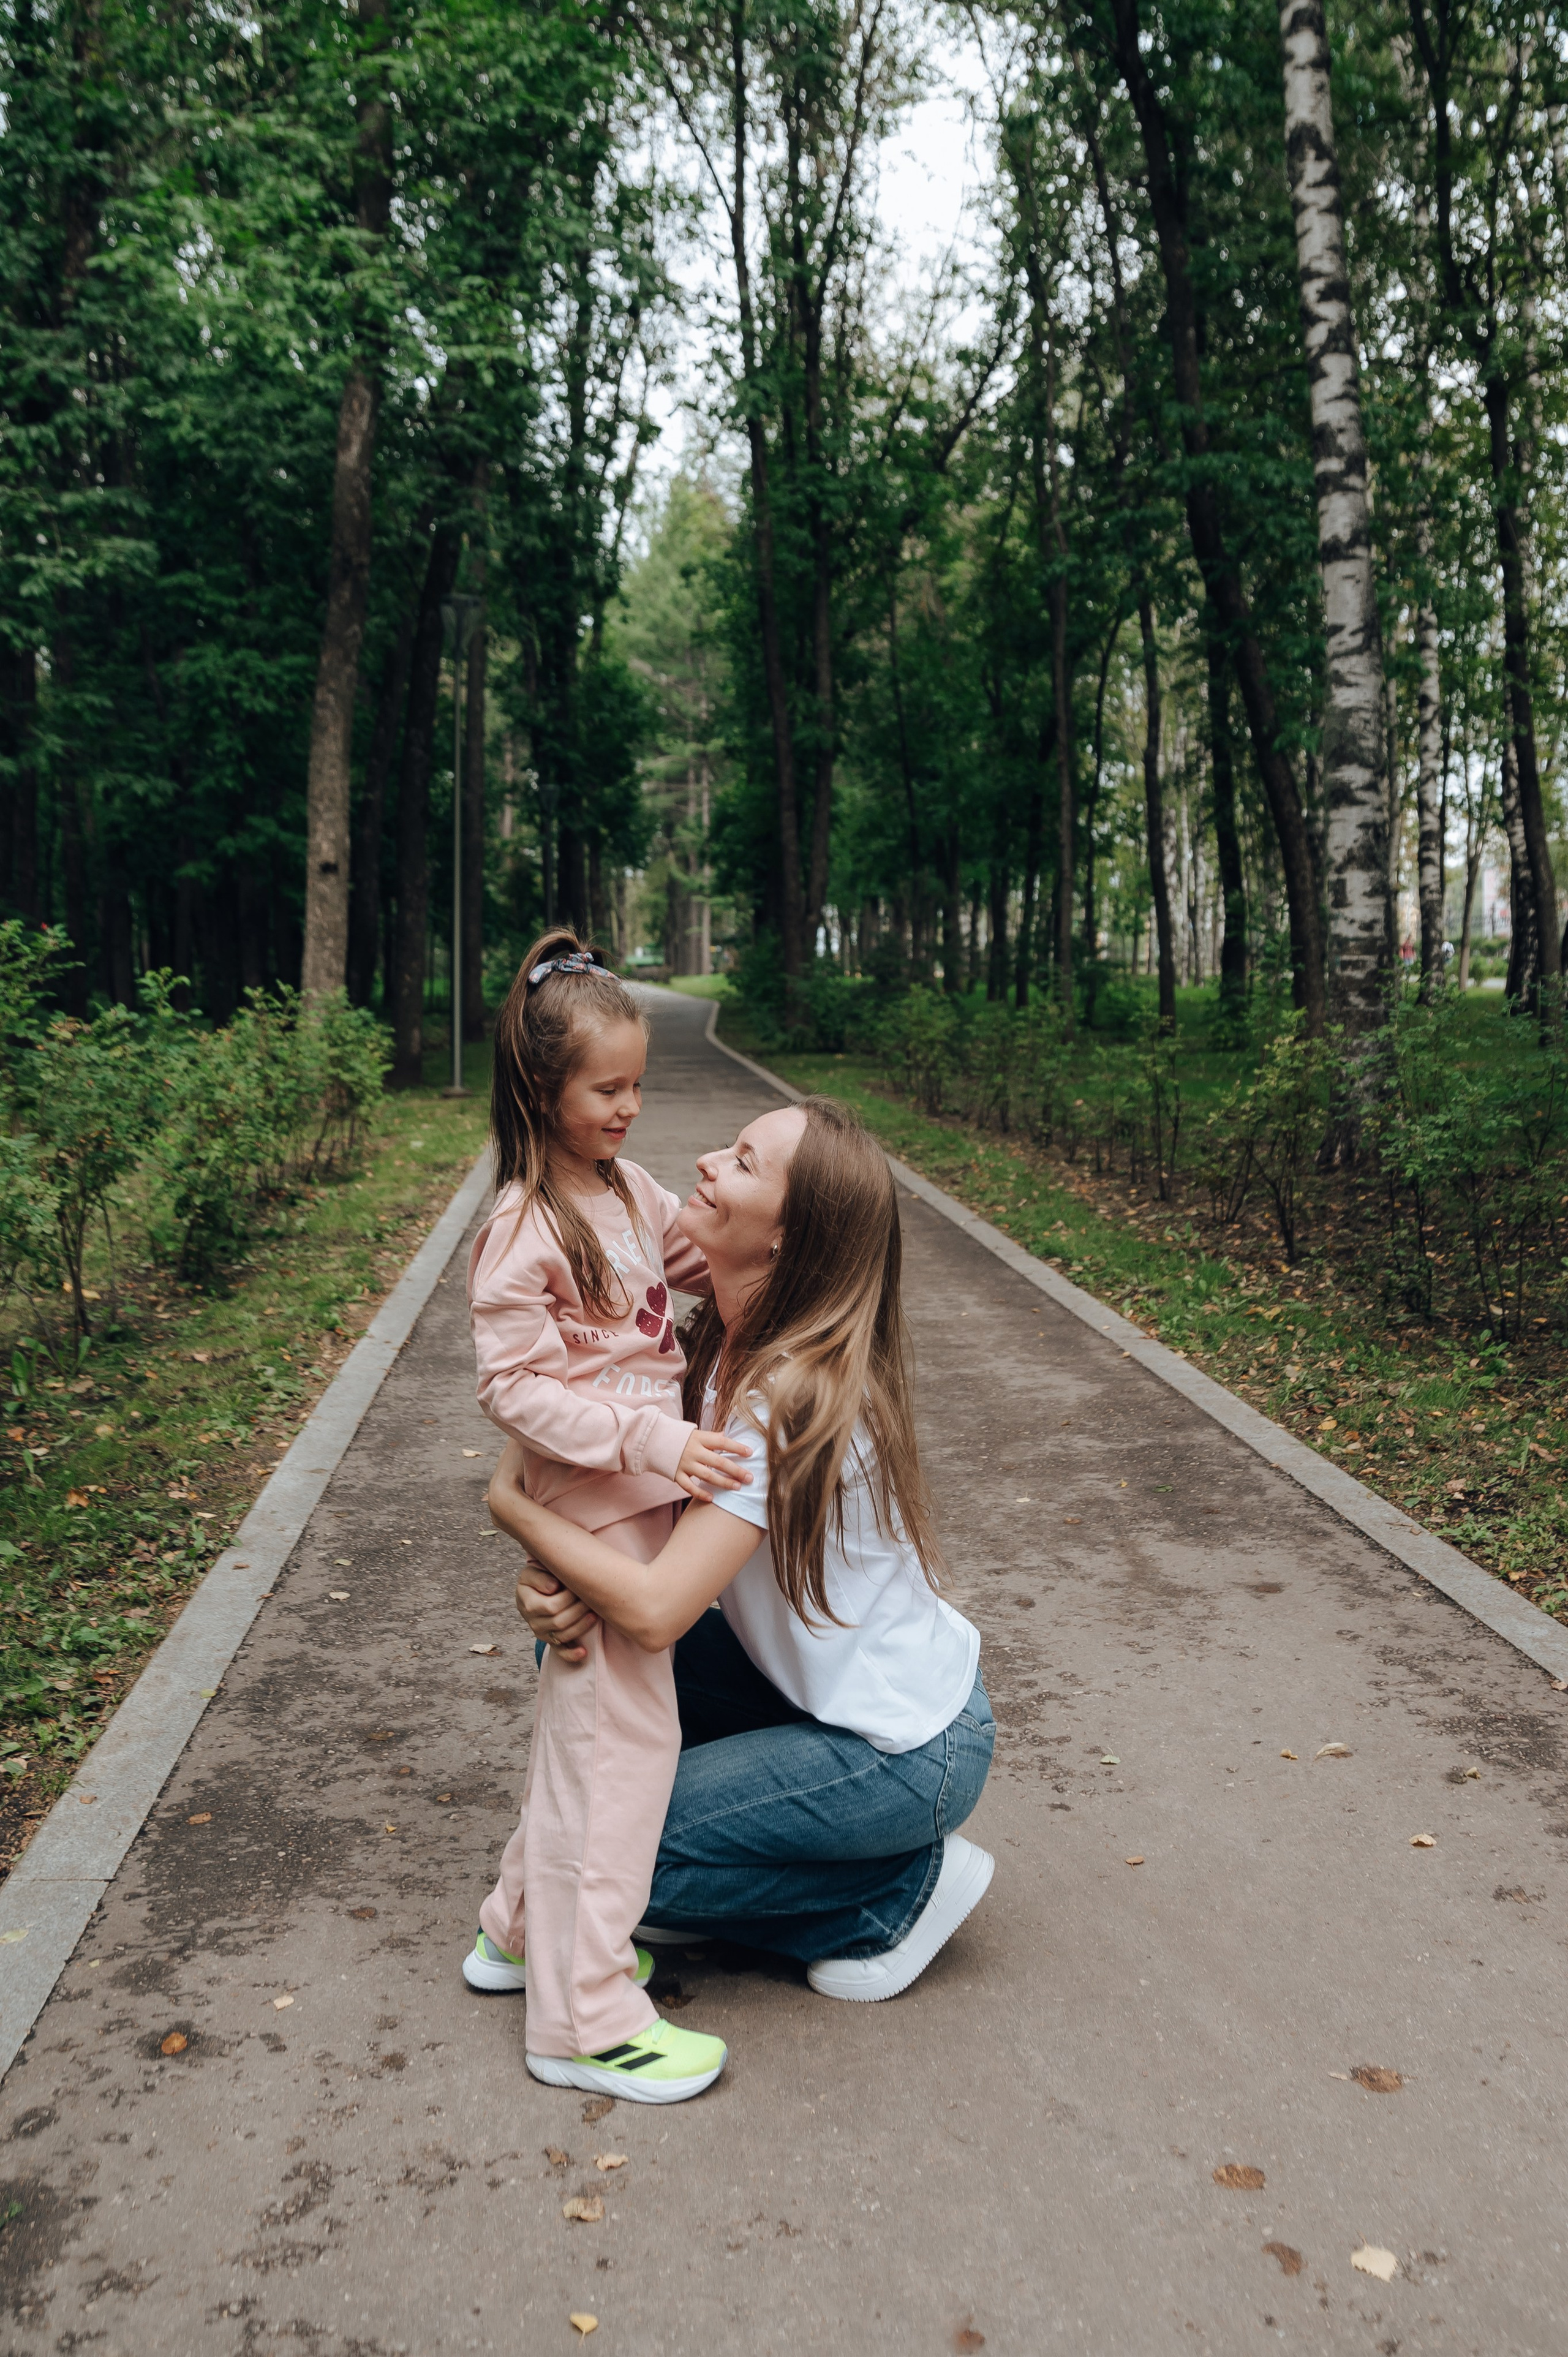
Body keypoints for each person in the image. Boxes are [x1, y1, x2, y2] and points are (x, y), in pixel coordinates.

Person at [489, 1094, 995, 2016]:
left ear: (785, 1239)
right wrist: (554, 1589)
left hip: (905, 1749)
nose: (711, 1163)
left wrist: (511, 1509)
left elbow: (656, 1606)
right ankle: (786, 1858)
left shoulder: (787, 1399)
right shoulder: (723, 1338)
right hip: (812, 1692)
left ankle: (892, 1896)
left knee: (629, 1845)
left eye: (746, 1162)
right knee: (579, 1647)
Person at [461, 928, 749, 2105]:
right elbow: (512, 1388)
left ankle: (517, 1935)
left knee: (584, 1738)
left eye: (639, 1086)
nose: (632, 1109)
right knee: (619, 1755)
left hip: (635, 1499)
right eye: (608, 1090)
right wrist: (654, 1436)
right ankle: (582, 2022)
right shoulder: (524, 1225)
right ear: (544, 1090)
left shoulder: (626, 1191)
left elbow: (697, 1256)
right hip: (597, 1503)